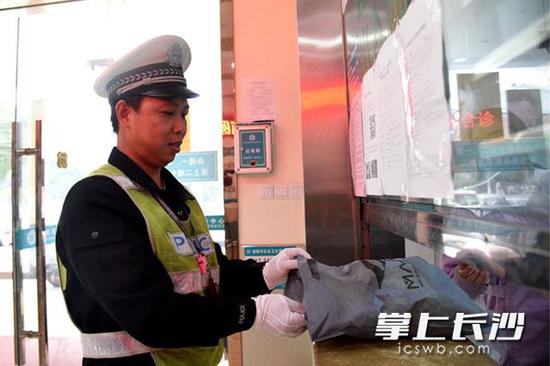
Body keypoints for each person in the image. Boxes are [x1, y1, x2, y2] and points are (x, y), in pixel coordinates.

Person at [55, 35, 310, 366]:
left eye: (184, 114)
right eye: (166, 113)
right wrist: (253, 312)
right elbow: (150, 314)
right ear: (124, 113)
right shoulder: (95, 201)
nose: (180, 128)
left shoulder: (175, 196)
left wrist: (268, 272)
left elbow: (211, 276)